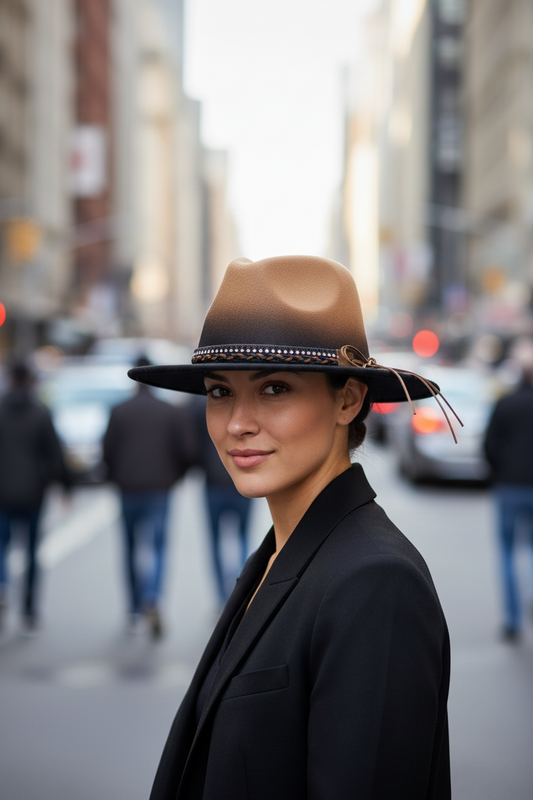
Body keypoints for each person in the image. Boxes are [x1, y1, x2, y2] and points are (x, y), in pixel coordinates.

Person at [130, 256, 453, 799]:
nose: (238, 423)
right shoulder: (281, 554)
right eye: (219, 391)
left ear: (348, 400)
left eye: (274, 389)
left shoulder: (374, 583)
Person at [103, 356, 194, 638]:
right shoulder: (168, 411)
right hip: (159, 488)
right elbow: (187, 451)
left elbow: (107, 452)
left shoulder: (119, 411)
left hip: (128, 489)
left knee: (130, 548)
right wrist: (174, 477)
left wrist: (116, 476)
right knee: (157, 546)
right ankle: (152, 598)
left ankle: (132, 608)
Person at [0, 360, 68, 631]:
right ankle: (28, 610)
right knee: (30, 552)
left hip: (1, 492)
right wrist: (65, 484)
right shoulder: (40, 412)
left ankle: (3, 587)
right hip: (32, 492)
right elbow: (53, 453)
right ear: (29, 380)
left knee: (1, 548)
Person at [484, 337, 533, 642]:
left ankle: (513, 620)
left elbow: (489, 446)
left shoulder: (505, 403)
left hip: (509, 487)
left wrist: (499, 471)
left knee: (506, 551)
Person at [193, 397, 252, 607]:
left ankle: (221, 596)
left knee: (215, 540)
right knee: (243, 536)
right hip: (242, 478)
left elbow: (193, 445)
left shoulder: (202, 405)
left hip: (213, 482)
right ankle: (242, 589)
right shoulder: (248, 401)